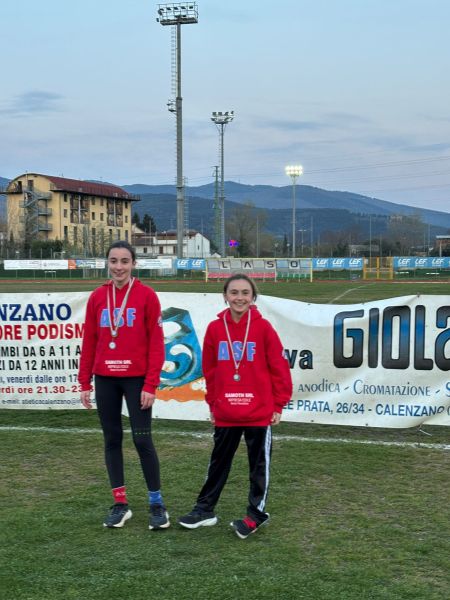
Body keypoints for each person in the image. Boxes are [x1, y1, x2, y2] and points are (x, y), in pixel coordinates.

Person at [178, 273, 293, 539]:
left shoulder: (263, 328)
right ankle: (204, 510)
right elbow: (210, 370)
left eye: (245, 293)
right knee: (218, 462)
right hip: (227, 410)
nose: (239, 298)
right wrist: (213, 403)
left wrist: (278, 405)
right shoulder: (215, 329)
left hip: (258, 411)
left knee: (258, 466)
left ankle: (256, 514)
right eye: (234, 292)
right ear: (225, 296)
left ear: (253, 297)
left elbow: (279, 368)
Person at [78, 240, 169, 531]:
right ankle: (120, 504)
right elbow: (90, 341)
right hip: (105, 379)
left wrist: (151, 384)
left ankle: (156, 503)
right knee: (112, 439)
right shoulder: (97, 297)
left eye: (124, 261)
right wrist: (84, 381)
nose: (119, 267)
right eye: (114, 261)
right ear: (108, 263)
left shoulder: (146, 295)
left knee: (142, 440)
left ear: (133, 264)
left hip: (136, 380)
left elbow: (156, 344)